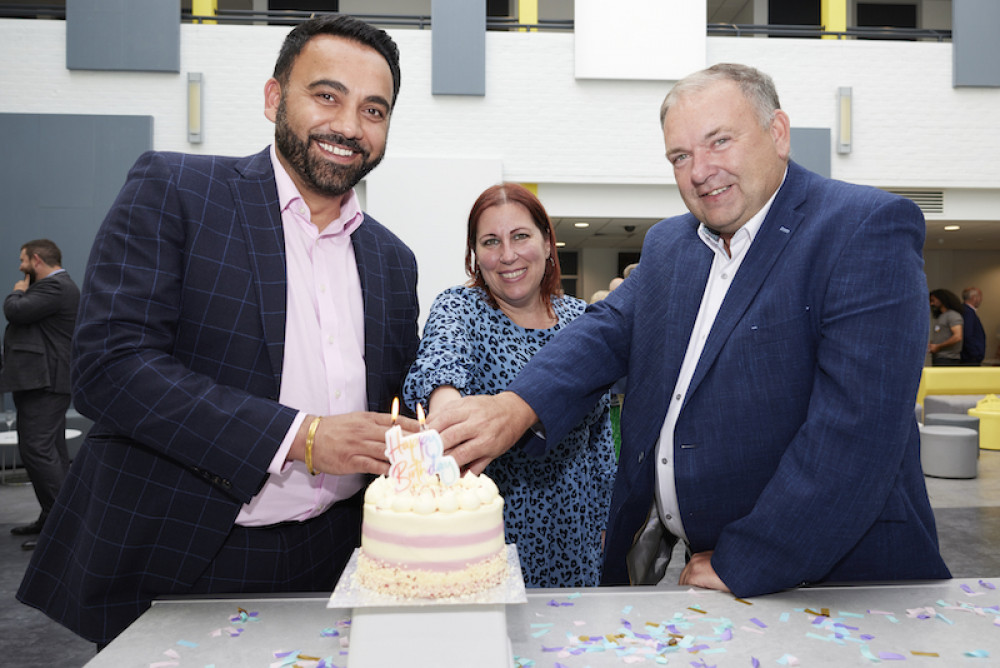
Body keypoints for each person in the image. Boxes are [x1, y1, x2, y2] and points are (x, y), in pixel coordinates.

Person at [427, 63, 950, 598]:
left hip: (841, 579)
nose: (700, 171)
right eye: (680, 156)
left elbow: (856, 432)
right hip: (714, 564)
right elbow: (606, 331)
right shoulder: (672, 244)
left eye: (719, 141)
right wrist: (516, 407)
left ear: (778, 133)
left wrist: (751, 558)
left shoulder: (863, 228)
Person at [17, 15, 421, 646]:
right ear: (273, 98)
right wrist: (301, 437)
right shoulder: (178, 191)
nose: (348, 126)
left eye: (374, 109)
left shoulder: (394, 260)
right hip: (190, 552)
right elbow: (109, 367)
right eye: (327, 96)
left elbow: (392, 403)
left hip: (340, 559)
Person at [403, 183, 616, 588]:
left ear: (548, 242)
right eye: (490, 241)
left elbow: (599, 437)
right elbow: (439, 366)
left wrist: (607, 519)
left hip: (577, 537)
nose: (507, 255)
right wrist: (448, 416)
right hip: (490, 540)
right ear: (475, 256)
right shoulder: (460, 308)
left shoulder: (583, 319)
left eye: (520, 236)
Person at [0, 239, 80, 551]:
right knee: (50, 453)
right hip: (41, 382)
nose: (20, 267)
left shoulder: (56, 287)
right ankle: (53, 517)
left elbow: (15, 311)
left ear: (36, 260)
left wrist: (19, 289)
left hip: (46, 383)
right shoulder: (55, 287)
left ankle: (63, 528)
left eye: (22, 261)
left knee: (39, 452)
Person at [928, 288, 964, 366]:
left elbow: (958, 336)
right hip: (939, 357)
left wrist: (938, 346)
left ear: (941, 299)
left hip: (948, 359)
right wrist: (932, 344)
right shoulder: (941, 316)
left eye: (933, 300)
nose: (931, 304)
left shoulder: (953, 315)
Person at [959, 287, 985, 366]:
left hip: (970, 356)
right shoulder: (968, 312)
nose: (981, 300)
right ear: (974, 298)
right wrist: (975, 354)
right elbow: (967, 335)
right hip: (970, 358)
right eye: (980, 296)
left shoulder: (965, 310)